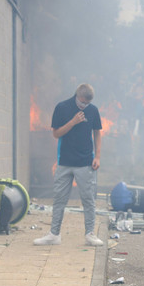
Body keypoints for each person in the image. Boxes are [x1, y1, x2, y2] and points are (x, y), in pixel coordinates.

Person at [34, 83, 104, 247]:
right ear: (77, 96)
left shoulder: (93, 111)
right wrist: (73, 122)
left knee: (88, 199)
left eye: (87, 103)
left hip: (86, 162)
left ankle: (90, 234)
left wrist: (98, 157)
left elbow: (97, 133)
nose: (84, 105)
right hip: (64, 162)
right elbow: (56, 133)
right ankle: (54, 234)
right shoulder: (62, 107)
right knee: (59, 199)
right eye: (82, 102)